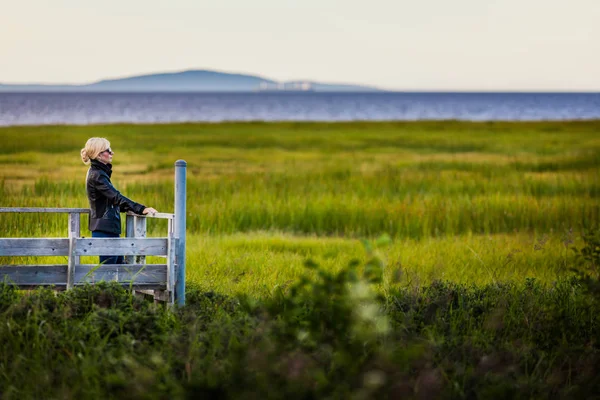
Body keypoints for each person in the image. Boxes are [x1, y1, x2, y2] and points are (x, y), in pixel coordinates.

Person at [80, 137, 157, 265]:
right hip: (104, 230)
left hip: (109, 228)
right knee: (108, 271)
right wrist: (141, 209)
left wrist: (130, 208)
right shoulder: (97, 175)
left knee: (119, 270)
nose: (112, 153)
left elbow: (110, 201)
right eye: (108, 150)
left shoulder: (99, 172)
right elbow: (116, 197)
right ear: (99, 154)